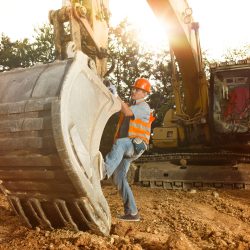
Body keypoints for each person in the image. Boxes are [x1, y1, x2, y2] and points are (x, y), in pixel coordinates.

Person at [102, 78, 154, 222]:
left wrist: (116, 93)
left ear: (144, 93)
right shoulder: (131, 105)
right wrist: (112, 95)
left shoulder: (143, 106)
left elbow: (127, 112)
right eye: (134, 89)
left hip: (134, 146)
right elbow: (120, 109)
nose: (133, 91)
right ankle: (132, 213)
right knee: (119, 178)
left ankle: (103, 171)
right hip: (127, 146)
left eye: (137, 90)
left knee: (120, 143)